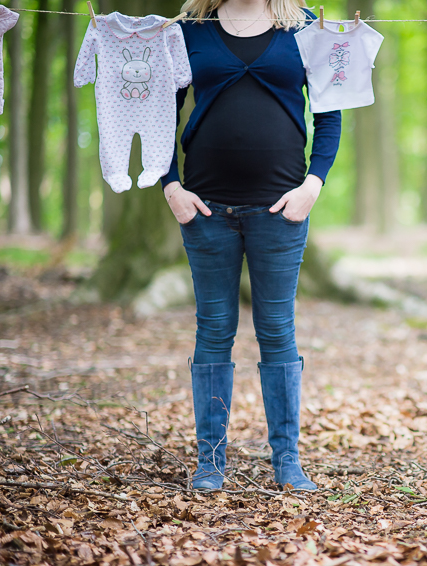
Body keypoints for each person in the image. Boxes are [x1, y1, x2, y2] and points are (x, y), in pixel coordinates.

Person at [161, 0, 341, 490]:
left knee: (278, 329)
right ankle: (210, 461)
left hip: (281, 211)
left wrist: (313, 186)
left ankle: (287, 459)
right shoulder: (187, 30)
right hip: (205, 212)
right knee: (214, 329)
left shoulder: (305, 26)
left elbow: (329, 114)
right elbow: (161, 110)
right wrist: (170, 186)